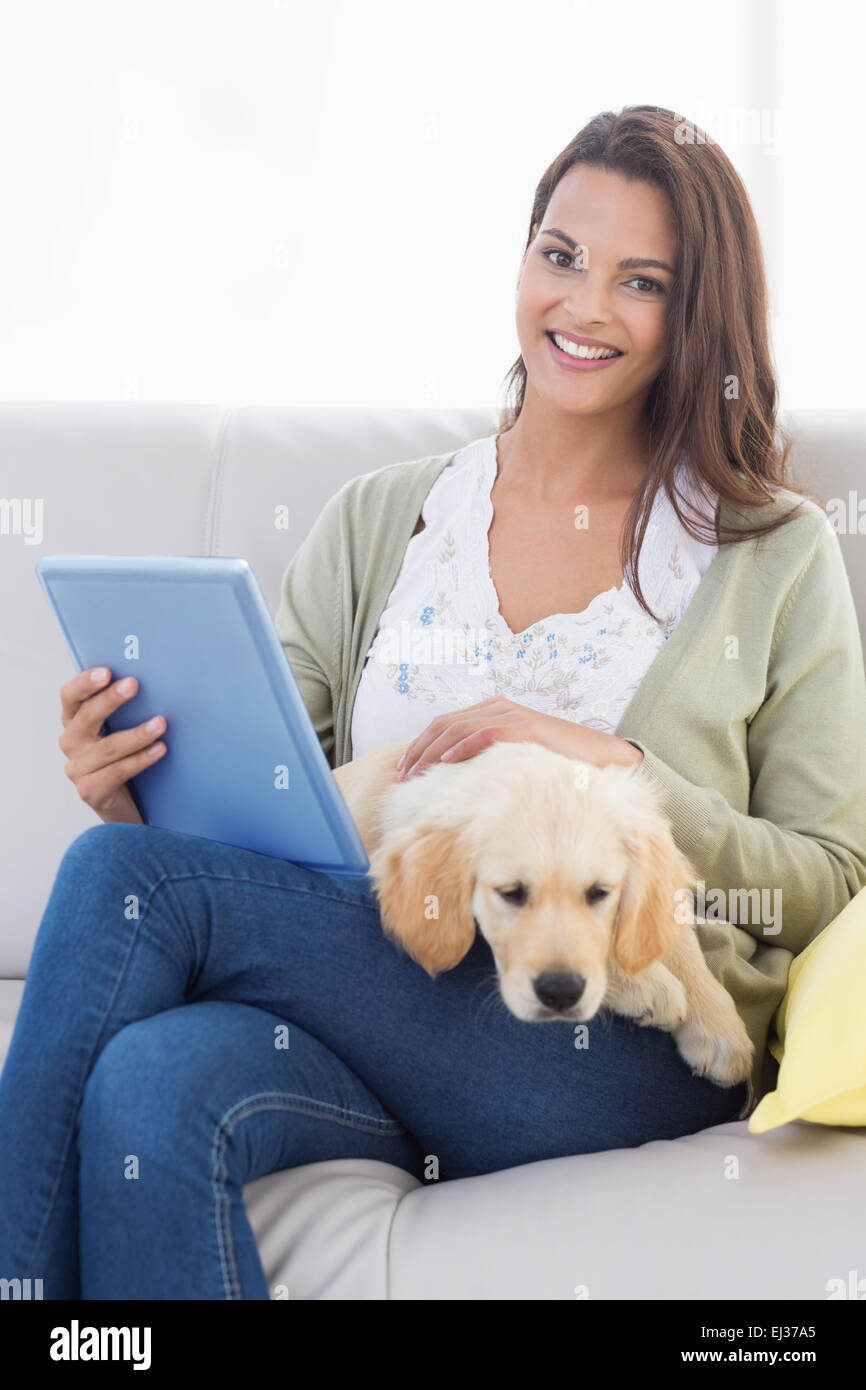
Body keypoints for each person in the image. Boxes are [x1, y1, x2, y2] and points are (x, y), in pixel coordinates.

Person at [1, 105, 864, 1301]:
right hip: (369, 986)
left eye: (640, 280)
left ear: (696, 313)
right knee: (150, 1080)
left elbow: (826, 874)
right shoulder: (379, 518)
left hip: (611, 1031)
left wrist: (614, 762)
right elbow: (274, 811)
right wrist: (134, 783)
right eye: (559, 255)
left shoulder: (773, 552)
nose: (582, 305)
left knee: (112, 884)